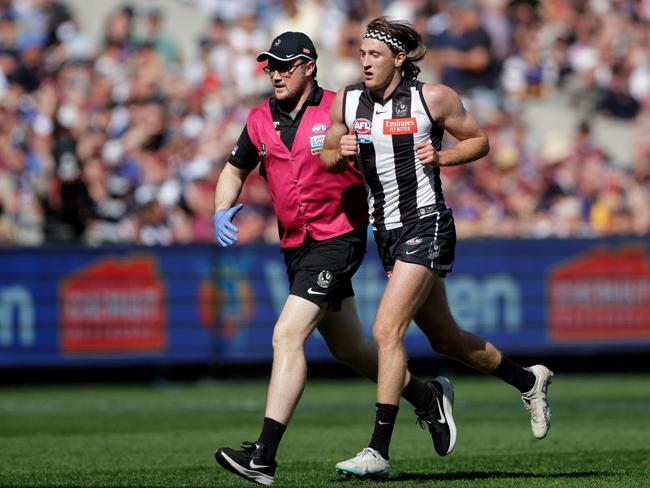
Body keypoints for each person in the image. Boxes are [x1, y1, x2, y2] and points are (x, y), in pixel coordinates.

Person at [212, 31, 457, 487]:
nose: (276, 74)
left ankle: (263, 455)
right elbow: (234, 169)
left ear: (309, 66)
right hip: (294, 245)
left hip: (338, 238)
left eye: (285, 65)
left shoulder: (343, 106)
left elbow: (388, 155)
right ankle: (426, 397)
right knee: (351, 350)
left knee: (286, 334)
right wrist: (221, 208)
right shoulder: (259, 118)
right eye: (270, 66)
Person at [321, 17, 553, 478]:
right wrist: (338, 151)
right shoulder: (347, 101)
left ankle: (378, 449)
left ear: (399, 58)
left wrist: (443, 155)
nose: (364, 62)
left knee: (387, 331)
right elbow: (327, 154)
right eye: (362, 53)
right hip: (384, 232)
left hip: (426, 223)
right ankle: (529, 379)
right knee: (446, 339)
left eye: (374, 54)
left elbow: (480, 141)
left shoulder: (434, 98)